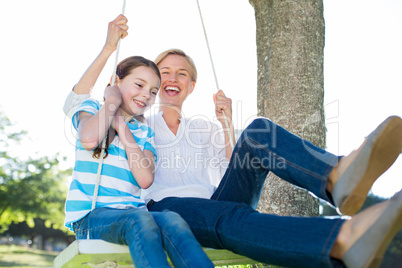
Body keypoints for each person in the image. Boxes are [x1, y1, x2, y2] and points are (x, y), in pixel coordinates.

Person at [64, 14, 402, 268]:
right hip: (166, 208)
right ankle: (339, 238)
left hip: (213, 202)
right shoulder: (140, 121)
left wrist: (226, 124)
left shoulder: (202, 128)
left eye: (182, 74)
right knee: (228, 218)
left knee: (256, 131)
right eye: (163, 72)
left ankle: (336, 177)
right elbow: (83, 101)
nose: (172, 78)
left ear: (191, 86)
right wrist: (110, 51)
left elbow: (234, 168)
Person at [64, 15, 213, 268]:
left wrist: (122, 126)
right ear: (117, 81)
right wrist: (111, 102)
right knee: (140, 220)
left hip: (132, 214)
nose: (146, 95)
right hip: (92, 217)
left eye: (153, 92)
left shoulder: (144, 133)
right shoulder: (91, 109)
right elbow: (89, 139)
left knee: (174, 220)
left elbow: (145, 179)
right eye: (139, 85)